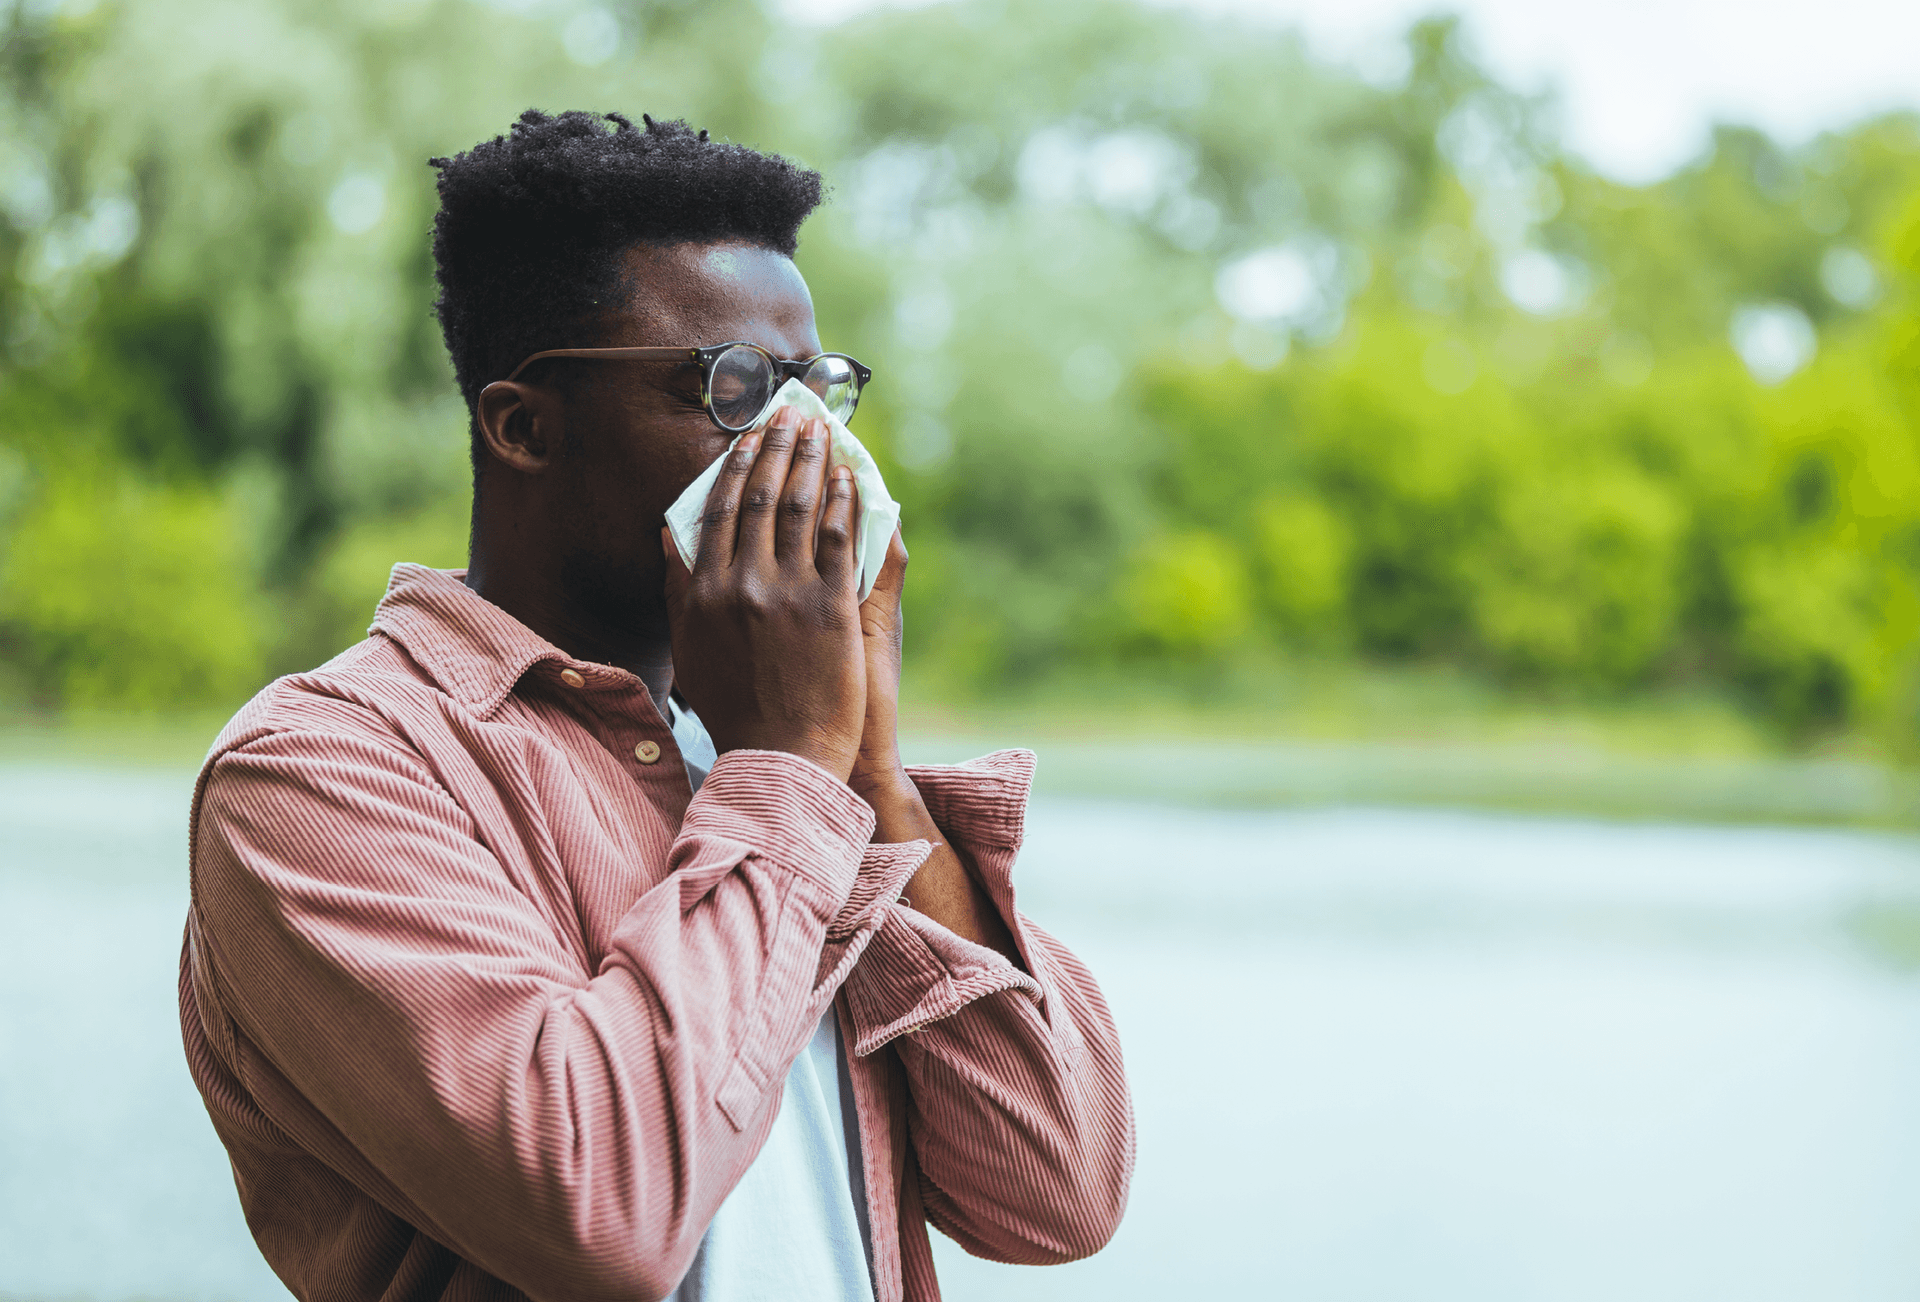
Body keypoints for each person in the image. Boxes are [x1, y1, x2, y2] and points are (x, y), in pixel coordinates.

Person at [177, 109, 1134, 1302]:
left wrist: (869, 763)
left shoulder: (792, 761)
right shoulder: (323, 772)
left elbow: (1056, 1195)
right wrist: (787, 769)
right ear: (523, 426)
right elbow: (601, 1210)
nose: (802, 448)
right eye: (733, 388)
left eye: (815, 391)